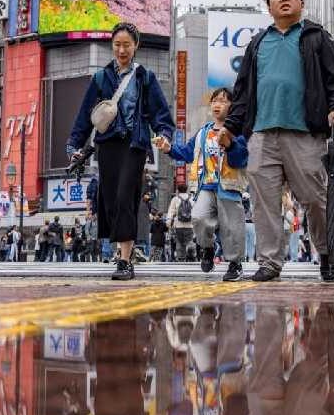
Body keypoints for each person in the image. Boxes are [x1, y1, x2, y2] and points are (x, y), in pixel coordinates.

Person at [222, 0, 334, 282]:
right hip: (263, 135)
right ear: (269, 6)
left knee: (315, 200)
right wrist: (230, 126)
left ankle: (326, 251)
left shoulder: (316, 37)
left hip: (304, 133)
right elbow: (242, 93)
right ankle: (269, 262)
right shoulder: (257, 43)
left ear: (301, 3)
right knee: (264, 203)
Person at [67, 22, 175, 281]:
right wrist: (74, 146)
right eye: (117, 44)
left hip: (134, 144)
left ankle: (125, 261)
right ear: (112, 46)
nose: (122, 49)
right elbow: (84, 116)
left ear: (136, 45)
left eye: (127, 44)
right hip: (107, 146)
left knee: (126, 195)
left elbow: (161, 114)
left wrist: (164, 135)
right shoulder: (101, 78)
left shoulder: (144, 77)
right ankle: (121, 252)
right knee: (112, 199)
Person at [159, 87, 251, 280]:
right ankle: (207, 248)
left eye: (223, 101)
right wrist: (169, 148)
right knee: (198, 217)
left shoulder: (239, 131)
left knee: (232, 226)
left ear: (233, 106)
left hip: (229, 186)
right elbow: (186, 152)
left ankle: (235, 264)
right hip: (205, 186)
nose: (218, 104)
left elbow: (241, 159)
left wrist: (230, 144)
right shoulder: (203, 132)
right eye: (215, 101)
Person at [167, 184, 195, 261]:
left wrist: (169, 223)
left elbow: (171, 212)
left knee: (179, 242)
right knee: (189, 241)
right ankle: (190, 250)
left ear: (178, 190)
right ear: (187, 190)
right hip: (190, 225)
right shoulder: (192, 199)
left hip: (178, 225)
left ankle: (181, 258)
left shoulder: (175, 199)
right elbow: (195, 212)